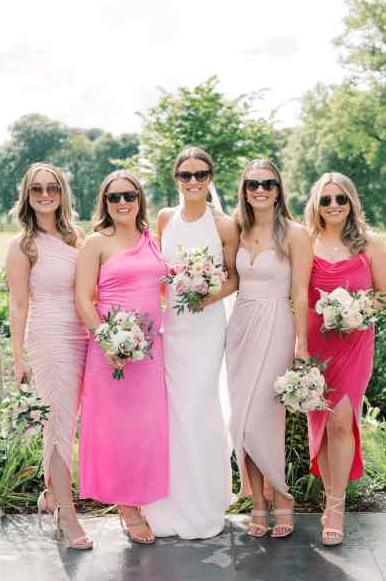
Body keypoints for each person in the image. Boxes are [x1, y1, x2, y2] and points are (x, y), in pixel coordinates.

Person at [142, 147, 239, 539]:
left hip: (207, 324)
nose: (194, 181)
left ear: (211, 177)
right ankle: (170, 499)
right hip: (174, 326)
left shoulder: (225, 225)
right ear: (176, 178)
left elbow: (235, 277)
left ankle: (205, 498)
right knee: (173, 409)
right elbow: (158, 271)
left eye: (201, 174)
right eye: (186, 175)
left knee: (199, 404)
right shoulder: (165, 219)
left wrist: (207, 291)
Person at [75, 170, 168, 545]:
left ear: (139, 198)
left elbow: (163, 286)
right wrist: (107, 341)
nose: (123, 203)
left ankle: (144, 497)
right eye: (114, 197)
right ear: (105, 203)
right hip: (109, 352)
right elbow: (83, 298)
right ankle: (127, 507)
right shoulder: (96, 243)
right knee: (117, 430)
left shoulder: (152, 239)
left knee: (147, 428)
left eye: (129, 195)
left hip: (150, 352)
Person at [6, 162, 92, 550]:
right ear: (27, 194)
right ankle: (67, 514)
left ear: (62, 193)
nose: (45, 194)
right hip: (49, 338)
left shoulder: (77, 238)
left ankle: (51, 495)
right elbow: (19, 304)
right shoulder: (22, 245)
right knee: (57, 423)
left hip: (83, 337)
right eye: (37, 188)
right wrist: (18, 356)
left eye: (52, 188)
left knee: (67, 422)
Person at [226, 159, 312, 538]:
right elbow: (228, 280)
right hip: (240, 325)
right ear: (244, 191)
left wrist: (302, 344)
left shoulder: (294, 233)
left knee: (265, 416)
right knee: (242, 420)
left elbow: (301, 292)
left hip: (277, 323)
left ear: (278, 189)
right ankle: (258, 502)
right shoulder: (237, 230)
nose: (259, 190)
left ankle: (283, 498)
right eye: (252, 184)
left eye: (267, 183)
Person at [304, 172, 386, 546]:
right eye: (326, 200)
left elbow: (383, 295)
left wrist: (355, 311)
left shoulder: (369, 244)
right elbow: (296, 296)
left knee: (341, 421)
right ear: (316, 204)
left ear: (352, 202)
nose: (334, 206)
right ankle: (329, 500)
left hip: (354, 343)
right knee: (321, 425)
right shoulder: (305, 242)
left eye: (341, 199)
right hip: (315, 344)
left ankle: (337, 507)